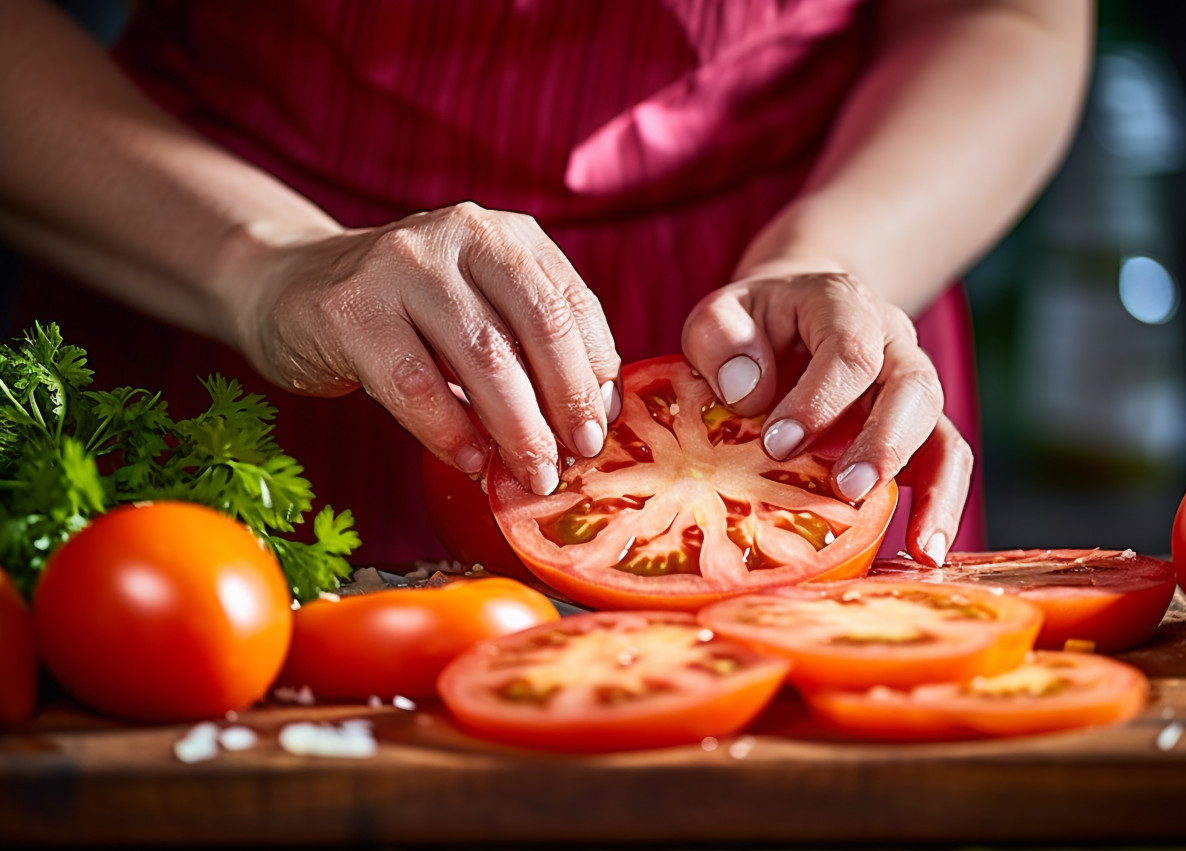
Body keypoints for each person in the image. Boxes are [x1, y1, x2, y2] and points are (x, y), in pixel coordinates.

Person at [0, 0, 1092, 567]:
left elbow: (1006, 13)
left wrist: (843, 252)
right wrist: (264, 261)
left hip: (803, 330)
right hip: (216, 268)